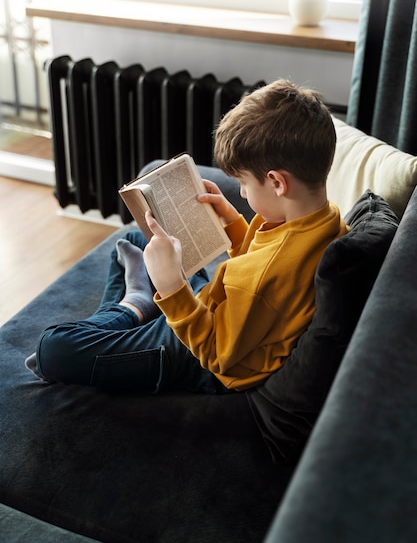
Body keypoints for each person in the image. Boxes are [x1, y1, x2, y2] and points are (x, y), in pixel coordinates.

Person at [25, 79, 348, 394]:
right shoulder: (326, 218)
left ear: (277, 183)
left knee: (54, 348)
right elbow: (262, 267)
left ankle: (134, 307)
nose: (243, 194)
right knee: (137, 243)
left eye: (244, 184)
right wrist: (233, 222)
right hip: (214, 312)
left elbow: (216, 353)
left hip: (195, 354)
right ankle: (140, 304)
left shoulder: (264, 275)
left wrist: (172, 289)